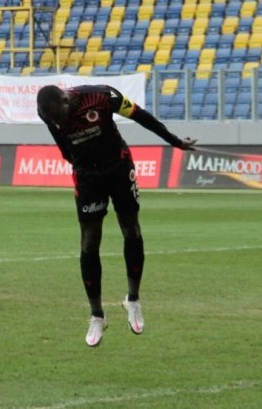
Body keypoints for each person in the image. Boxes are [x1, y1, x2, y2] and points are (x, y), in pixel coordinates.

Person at [37, 84, 196, 347]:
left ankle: (132, 300)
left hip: (119, 167)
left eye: (60, 116)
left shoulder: (102, 96)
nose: (58, 122)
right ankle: (97, 314)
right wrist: (83, 162)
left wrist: (174, 141)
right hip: (87, 175)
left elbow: (140, 115)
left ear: (66, 101)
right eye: (53, 119)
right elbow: (64, 148)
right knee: (89, 242)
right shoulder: (47, 111)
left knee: (131, 229)